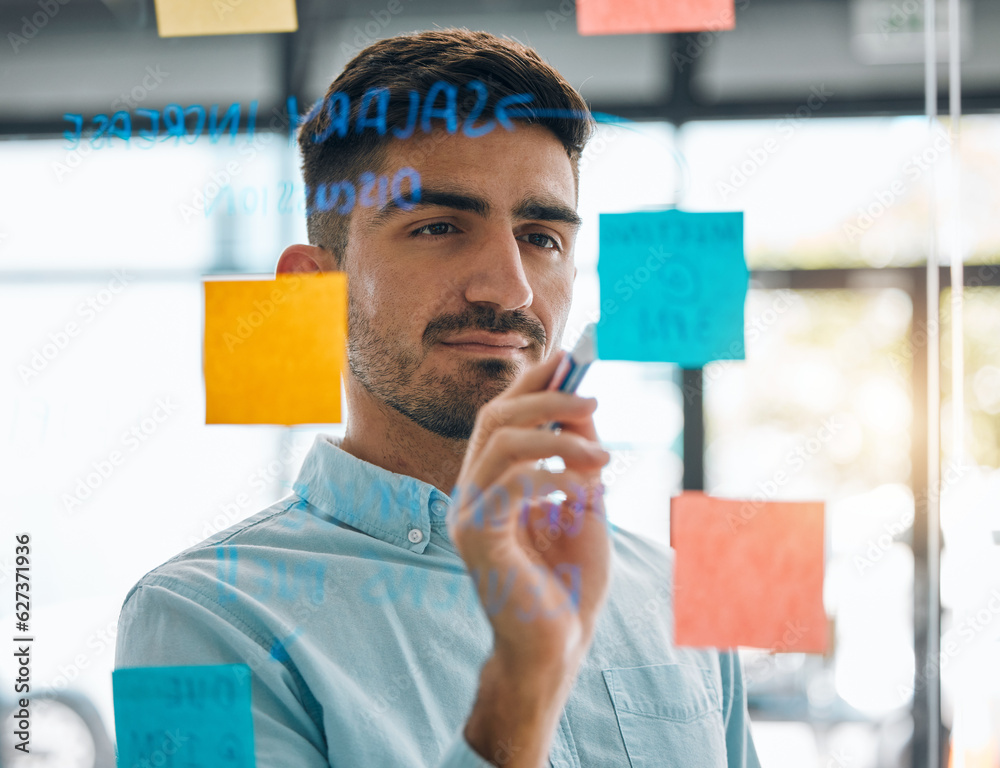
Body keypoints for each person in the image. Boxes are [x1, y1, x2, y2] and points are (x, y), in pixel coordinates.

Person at [115, 28, 761, 768]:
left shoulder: (674, 594)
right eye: (439, 226)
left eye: (541, 236)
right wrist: (522, 684)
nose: (511, 288)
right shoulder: (199, 619)